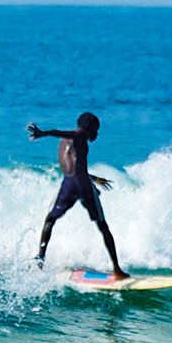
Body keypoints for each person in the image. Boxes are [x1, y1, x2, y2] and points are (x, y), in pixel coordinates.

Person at [28, 111, 125, 278]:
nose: (97, 133)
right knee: (103, 226)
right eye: (96, 129)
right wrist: (44, 133)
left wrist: (95, 178)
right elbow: (72, 134)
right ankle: (117, 269)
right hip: (83, 186)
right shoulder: (79, 136)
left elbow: (73, 170)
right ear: (88, 127)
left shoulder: (62, 144)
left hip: (68, 186)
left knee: (50, 220)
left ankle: (40, 260)